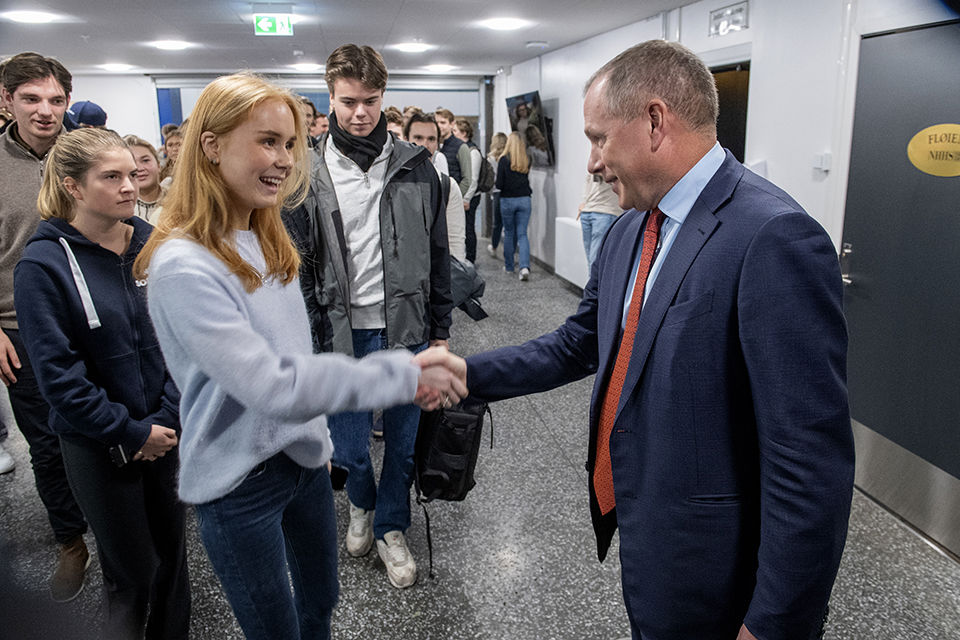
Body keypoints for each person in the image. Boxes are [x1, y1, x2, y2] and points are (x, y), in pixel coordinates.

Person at [464, 40, 854, 640]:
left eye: (598, 138)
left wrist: (775, 623)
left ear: (653, 121)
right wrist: (468, 374)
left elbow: (808, 462)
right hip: (650, 540)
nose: (592, 163)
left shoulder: (773, 237)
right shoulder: (629, 231)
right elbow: (579, 343)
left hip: (720, 577)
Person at [132, 72, 465, 639]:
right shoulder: (184, 264)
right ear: (211, 146)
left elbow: (295, 352)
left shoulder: (264, 236)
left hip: (302, 463)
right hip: (240, 483)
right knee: (276, 627)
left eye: (289, 143)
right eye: (267, 142)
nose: (285, 160)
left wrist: (317, 439)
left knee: (320, 602)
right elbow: (272, 384)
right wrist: (401, 374)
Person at [281, 45, 453, 590]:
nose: (360, 113)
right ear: (330, 98)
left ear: (384, 97)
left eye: (371, 101)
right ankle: (361, 500)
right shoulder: (305, 171)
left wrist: (441, 333)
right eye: (348, 101)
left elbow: (438, 252)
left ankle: (391, 526)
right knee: (351, 446)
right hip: (340, 331)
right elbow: (296, 262)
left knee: (401, 443)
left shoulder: (418, 166)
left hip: (406, 327)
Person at [14, 127, 190, 639]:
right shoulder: (43, 265)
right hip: (97, 442)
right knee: (131, 571)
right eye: (110, 177)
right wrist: (130, 433)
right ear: (72, 186)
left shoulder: (157, 246)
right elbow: (58, 377)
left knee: (173, 560)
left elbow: (184, 342)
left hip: (166, 432)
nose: (129, 186)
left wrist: (164, 420)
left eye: (131, 174)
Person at [0, 51, 91, 602]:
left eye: (56, 99)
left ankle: (117, 527)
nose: (45, 110)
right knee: (48, 443)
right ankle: (70, 541)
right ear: (6, 99)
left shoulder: (89, 152)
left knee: (109, 430)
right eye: (31, 98)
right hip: (18, 329)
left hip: (92, 319)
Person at [406, 112, 466, 261]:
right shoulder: (391, 183)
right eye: (418, 138)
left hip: (436, 268)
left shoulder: (448, 186)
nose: (425, 145)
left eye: (431, 139)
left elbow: (455, 244)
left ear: (438, 144)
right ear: (406, 140)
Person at [495, 132, 532, 280]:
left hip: (508, 200)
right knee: (522, 234)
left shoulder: (503, 160)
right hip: (525, 199)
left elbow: (499, 184)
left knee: (509, 233)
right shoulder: (527, 159)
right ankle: (524, 267)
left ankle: (509, 267)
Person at [453, 117, 483, 262]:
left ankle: (470, 259)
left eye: (455, 131)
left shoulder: (472, 152)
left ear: (464, 133)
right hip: (462, 196)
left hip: (470, 197)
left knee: (468, 228)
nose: (453, 134)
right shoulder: (461, 149)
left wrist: (466, 199)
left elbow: (473, 179)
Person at [578, 173, 622, 270]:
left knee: (595, 261)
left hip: (605, 212)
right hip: (587, 211)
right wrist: (583, 203)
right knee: (590, 260)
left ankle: (595, 281)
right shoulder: (593, 166)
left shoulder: (612, 166)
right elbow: (588, 182)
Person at [124, 134, 165, 223]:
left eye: (145, 160)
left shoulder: (179, 200)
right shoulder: (120, 212)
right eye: (132, 162)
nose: (139, 168)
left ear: (158, 165)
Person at [485, 131, 507, 258]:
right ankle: (508, 251)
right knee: (509, 225)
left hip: (496, 192)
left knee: (497, 223)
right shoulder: (508, 157)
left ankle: (494, 247)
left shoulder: (490, 158)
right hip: (508, 192)